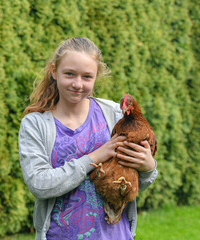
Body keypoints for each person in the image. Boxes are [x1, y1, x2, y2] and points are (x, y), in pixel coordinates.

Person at [18, 37, 157, 240]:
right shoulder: (35, 124)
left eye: (87, 77)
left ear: (96, 77)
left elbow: (128, 184)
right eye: (69, 74)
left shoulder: (113, 115)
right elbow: (40, 184)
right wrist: (94, 158)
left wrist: (147, 167)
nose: (78, 84)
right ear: (54, 71)